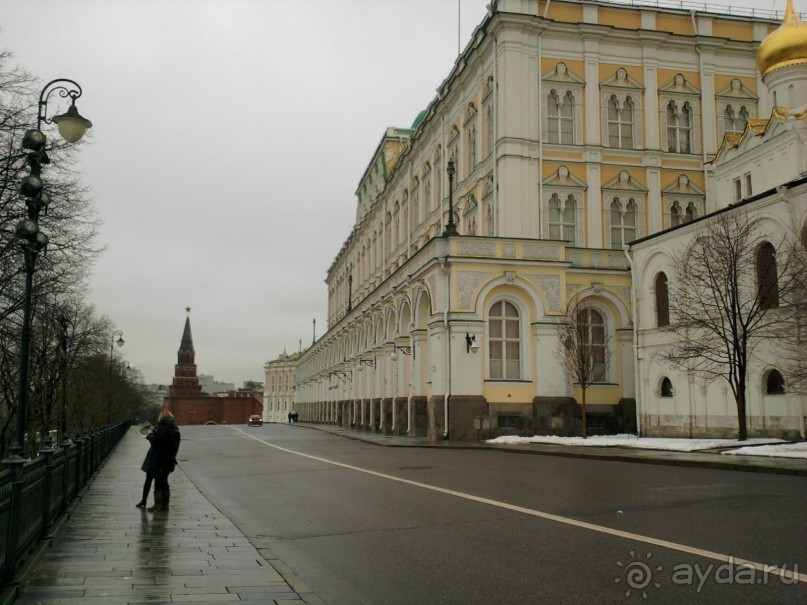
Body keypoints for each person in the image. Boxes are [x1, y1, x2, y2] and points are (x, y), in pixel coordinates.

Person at [143, 410, 181, 512]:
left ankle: (158, 505)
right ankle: (165, 505)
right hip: (169, 461)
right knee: (164, 482)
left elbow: (156, 443)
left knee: (158, 482)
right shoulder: (175, 430)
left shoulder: (162, 429)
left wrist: (149, 435)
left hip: (160, 461)